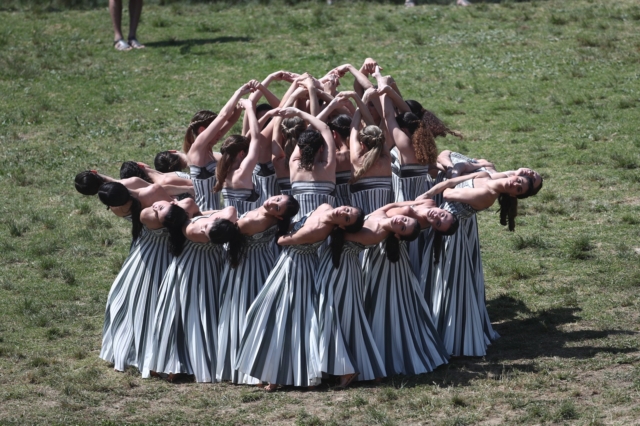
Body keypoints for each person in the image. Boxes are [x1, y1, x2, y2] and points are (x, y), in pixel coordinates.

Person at [236, 204, 363, 391]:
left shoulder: (318, 229)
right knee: (281, 317)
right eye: (347, 210)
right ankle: (277, 373)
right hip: (290, 266)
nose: (343, 212)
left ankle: (289, 374)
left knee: (286, 318)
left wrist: (286, 227)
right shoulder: (325, 207)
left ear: (342, 227)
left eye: (346, 218)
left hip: (296, 270)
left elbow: (282, 241)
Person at [216, 195, 300, 384]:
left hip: (244, 269)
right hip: (265, 263)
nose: (272, 202)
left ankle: (245, 364)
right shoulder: (270, 219)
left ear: (279, 217)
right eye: (277, 198)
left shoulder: (254, 221)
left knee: (241, 309)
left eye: (277, 207)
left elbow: (223, 230)